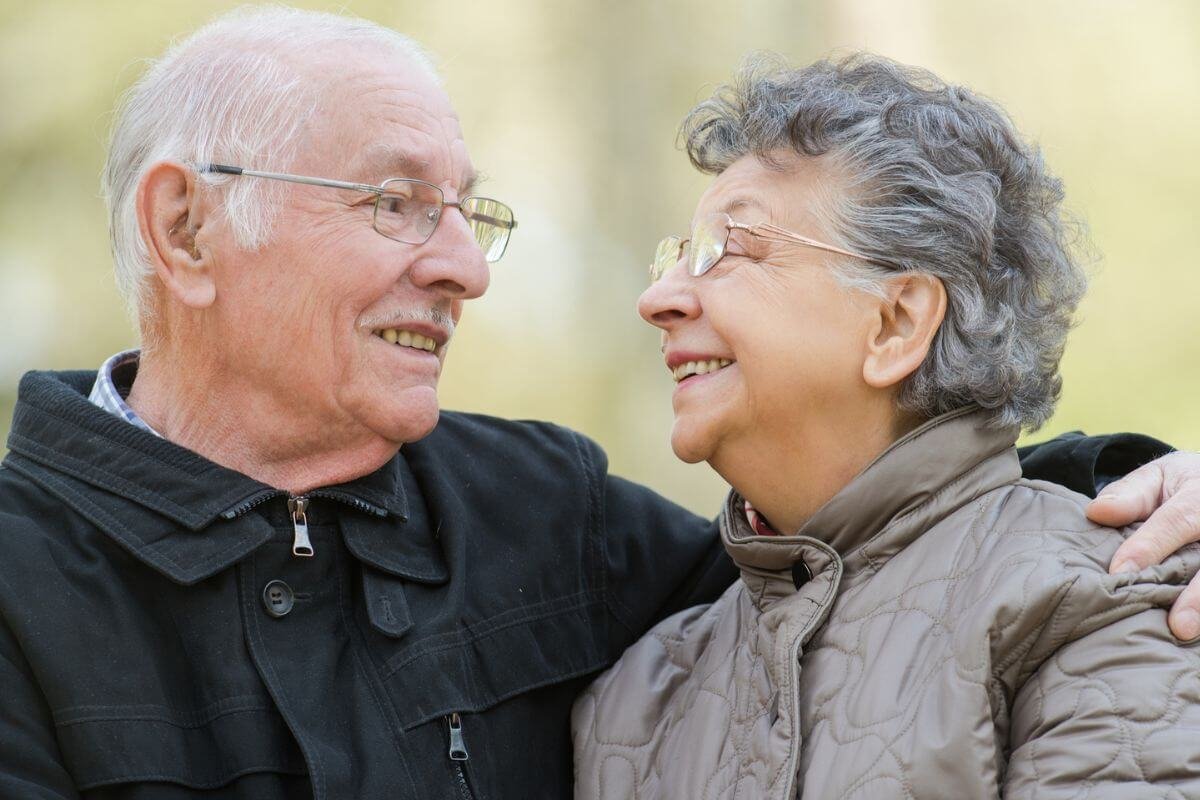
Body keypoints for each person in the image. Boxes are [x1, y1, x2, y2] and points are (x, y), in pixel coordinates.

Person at [0, 8, 1197, 799]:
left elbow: (862, 550)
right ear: (188, 228)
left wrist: (1126, 488)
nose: (465, 267)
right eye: (394, 203)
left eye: (469, 214)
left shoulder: (544, 512)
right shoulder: (18, 587)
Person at [572, 54, 1200, 798]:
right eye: (675, 255)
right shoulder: (632, 703)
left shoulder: (1097, 600)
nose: (660, 296)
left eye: (728, 249)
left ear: (897, 323)